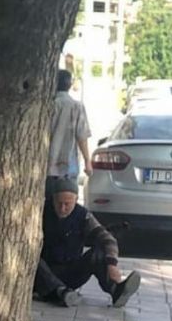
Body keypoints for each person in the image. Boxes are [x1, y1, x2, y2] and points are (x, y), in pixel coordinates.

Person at [35, 178, 140, 307]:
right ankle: (59, 292)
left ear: (76, 200)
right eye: (59, 203)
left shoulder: (83, 216)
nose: (62, 208)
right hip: (44, 275)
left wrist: (112, 264)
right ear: (53, 199)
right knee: (34, 257)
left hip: (70, 271)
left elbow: (107, 239)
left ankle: (116, 290)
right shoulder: (41, 212)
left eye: (67, 204)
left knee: (97, 254)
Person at [46, 69, 92, 198]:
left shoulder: (47, 105)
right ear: (69, 85)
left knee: (48, 203)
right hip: (68, 167)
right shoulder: (77, 107)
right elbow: (82, 137)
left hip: (47, 166)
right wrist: (87, 161)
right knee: (67, 204)